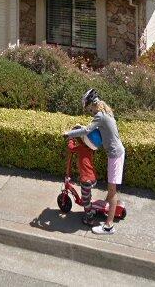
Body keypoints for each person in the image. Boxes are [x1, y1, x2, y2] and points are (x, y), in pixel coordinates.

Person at [63, 88, 125, 234]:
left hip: (115, 154)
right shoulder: (106, 112)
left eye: (88, 108)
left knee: (112, 191)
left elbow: (86, 131)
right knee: (111, 189)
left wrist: (69, 134)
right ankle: (107, 208)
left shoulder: (100, 115)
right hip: (116, 153)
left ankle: (108, 226)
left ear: (91, 104)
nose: (89, 111)